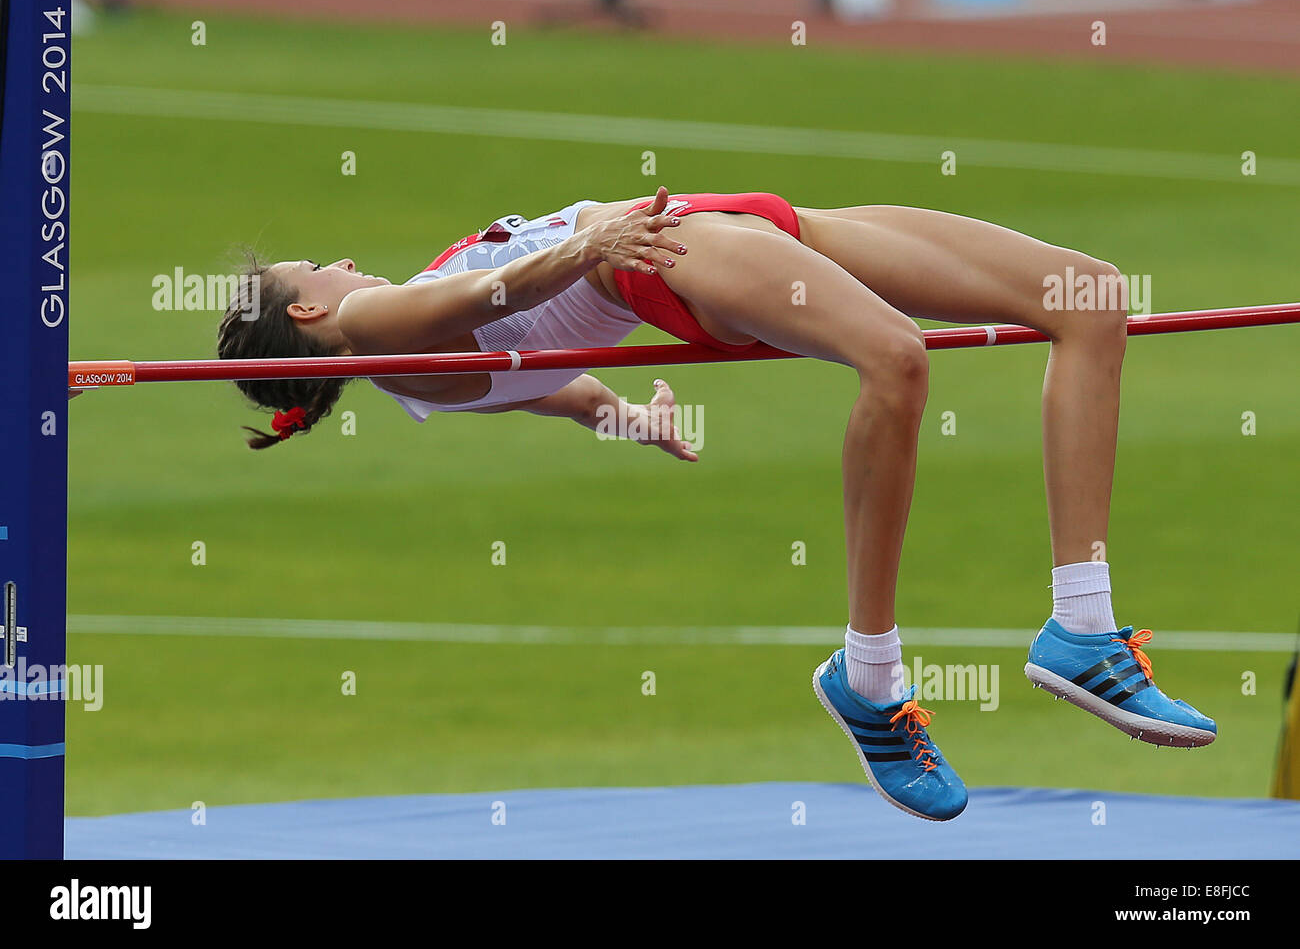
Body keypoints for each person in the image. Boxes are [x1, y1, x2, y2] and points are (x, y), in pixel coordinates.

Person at [217, 186, 1216, 821]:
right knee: (895, 358)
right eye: (313, 264)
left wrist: (624, 420)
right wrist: (589, 241)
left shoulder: (416, 380)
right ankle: (870, 674)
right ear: (310, 309)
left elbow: (547, 385)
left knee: (1089, 296)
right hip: (670, 245)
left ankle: (1081, 621)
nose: (336, 257)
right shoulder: (368, 319)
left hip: (745, 225)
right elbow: (483, 301)